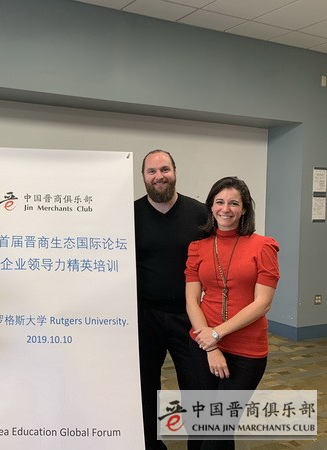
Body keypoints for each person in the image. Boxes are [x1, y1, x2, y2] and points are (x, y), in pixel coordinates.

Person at [185, 176, 280, 449]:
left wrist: (216, 334)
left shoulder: (263, 246)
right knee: (205, 424)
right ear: (211, 206)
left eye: (234, 203)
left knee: (219, 428)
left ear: (244, 208)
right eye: (220, 202)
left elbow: (263, 303)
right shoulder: (198, 247)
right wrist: (210, 345)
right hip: (203, 346)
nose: (225, 209)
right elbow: (192, 300)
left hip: (246, 350)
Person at [134, 149, 207, 450]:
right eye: (152, 171)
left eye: (164, 169)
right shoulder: (130, 214)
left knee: (196, 387)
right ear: (143, 177)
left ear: (175, 171)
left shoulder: (200, 213)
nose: (159, 176)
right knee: (145, 387)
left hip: (189, 317)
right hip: (144, 316)